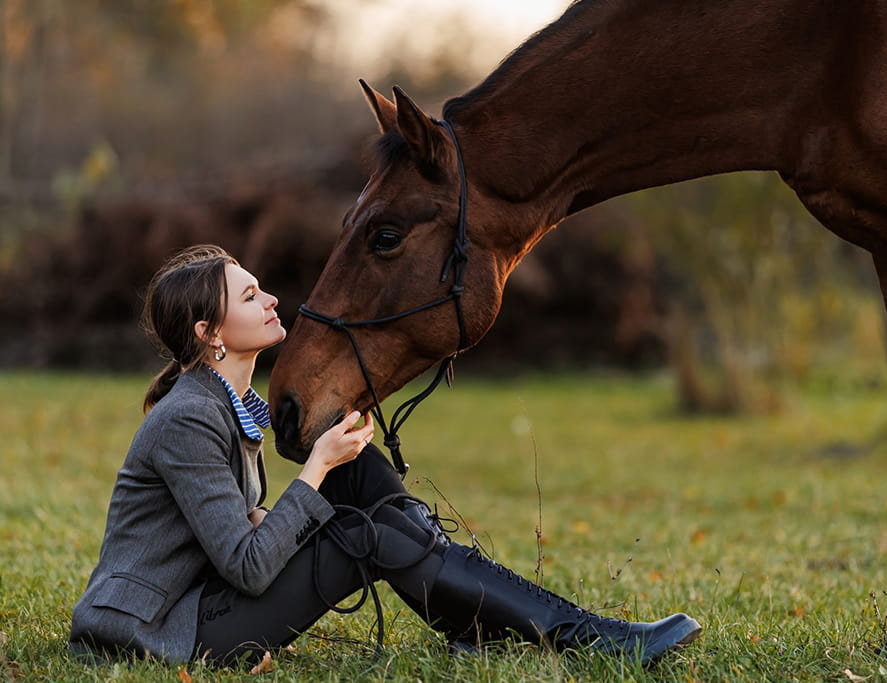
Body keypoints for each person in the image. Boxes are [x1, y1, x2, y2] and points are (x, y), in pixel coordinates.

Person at [68, 244, 701, 668]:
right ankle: (581, 638)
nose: (271, 300)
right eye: (250, 296)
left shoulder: (225, 404)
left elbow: (233, 527)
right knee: (368, 530)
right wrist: (316, 467)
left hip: (201, 599)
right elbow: (249, 569)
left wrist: (316, 481)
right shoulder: (188, 417)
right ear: (210, 334)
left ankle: (492, 628)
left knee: (365, 480)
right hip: (160, 628)